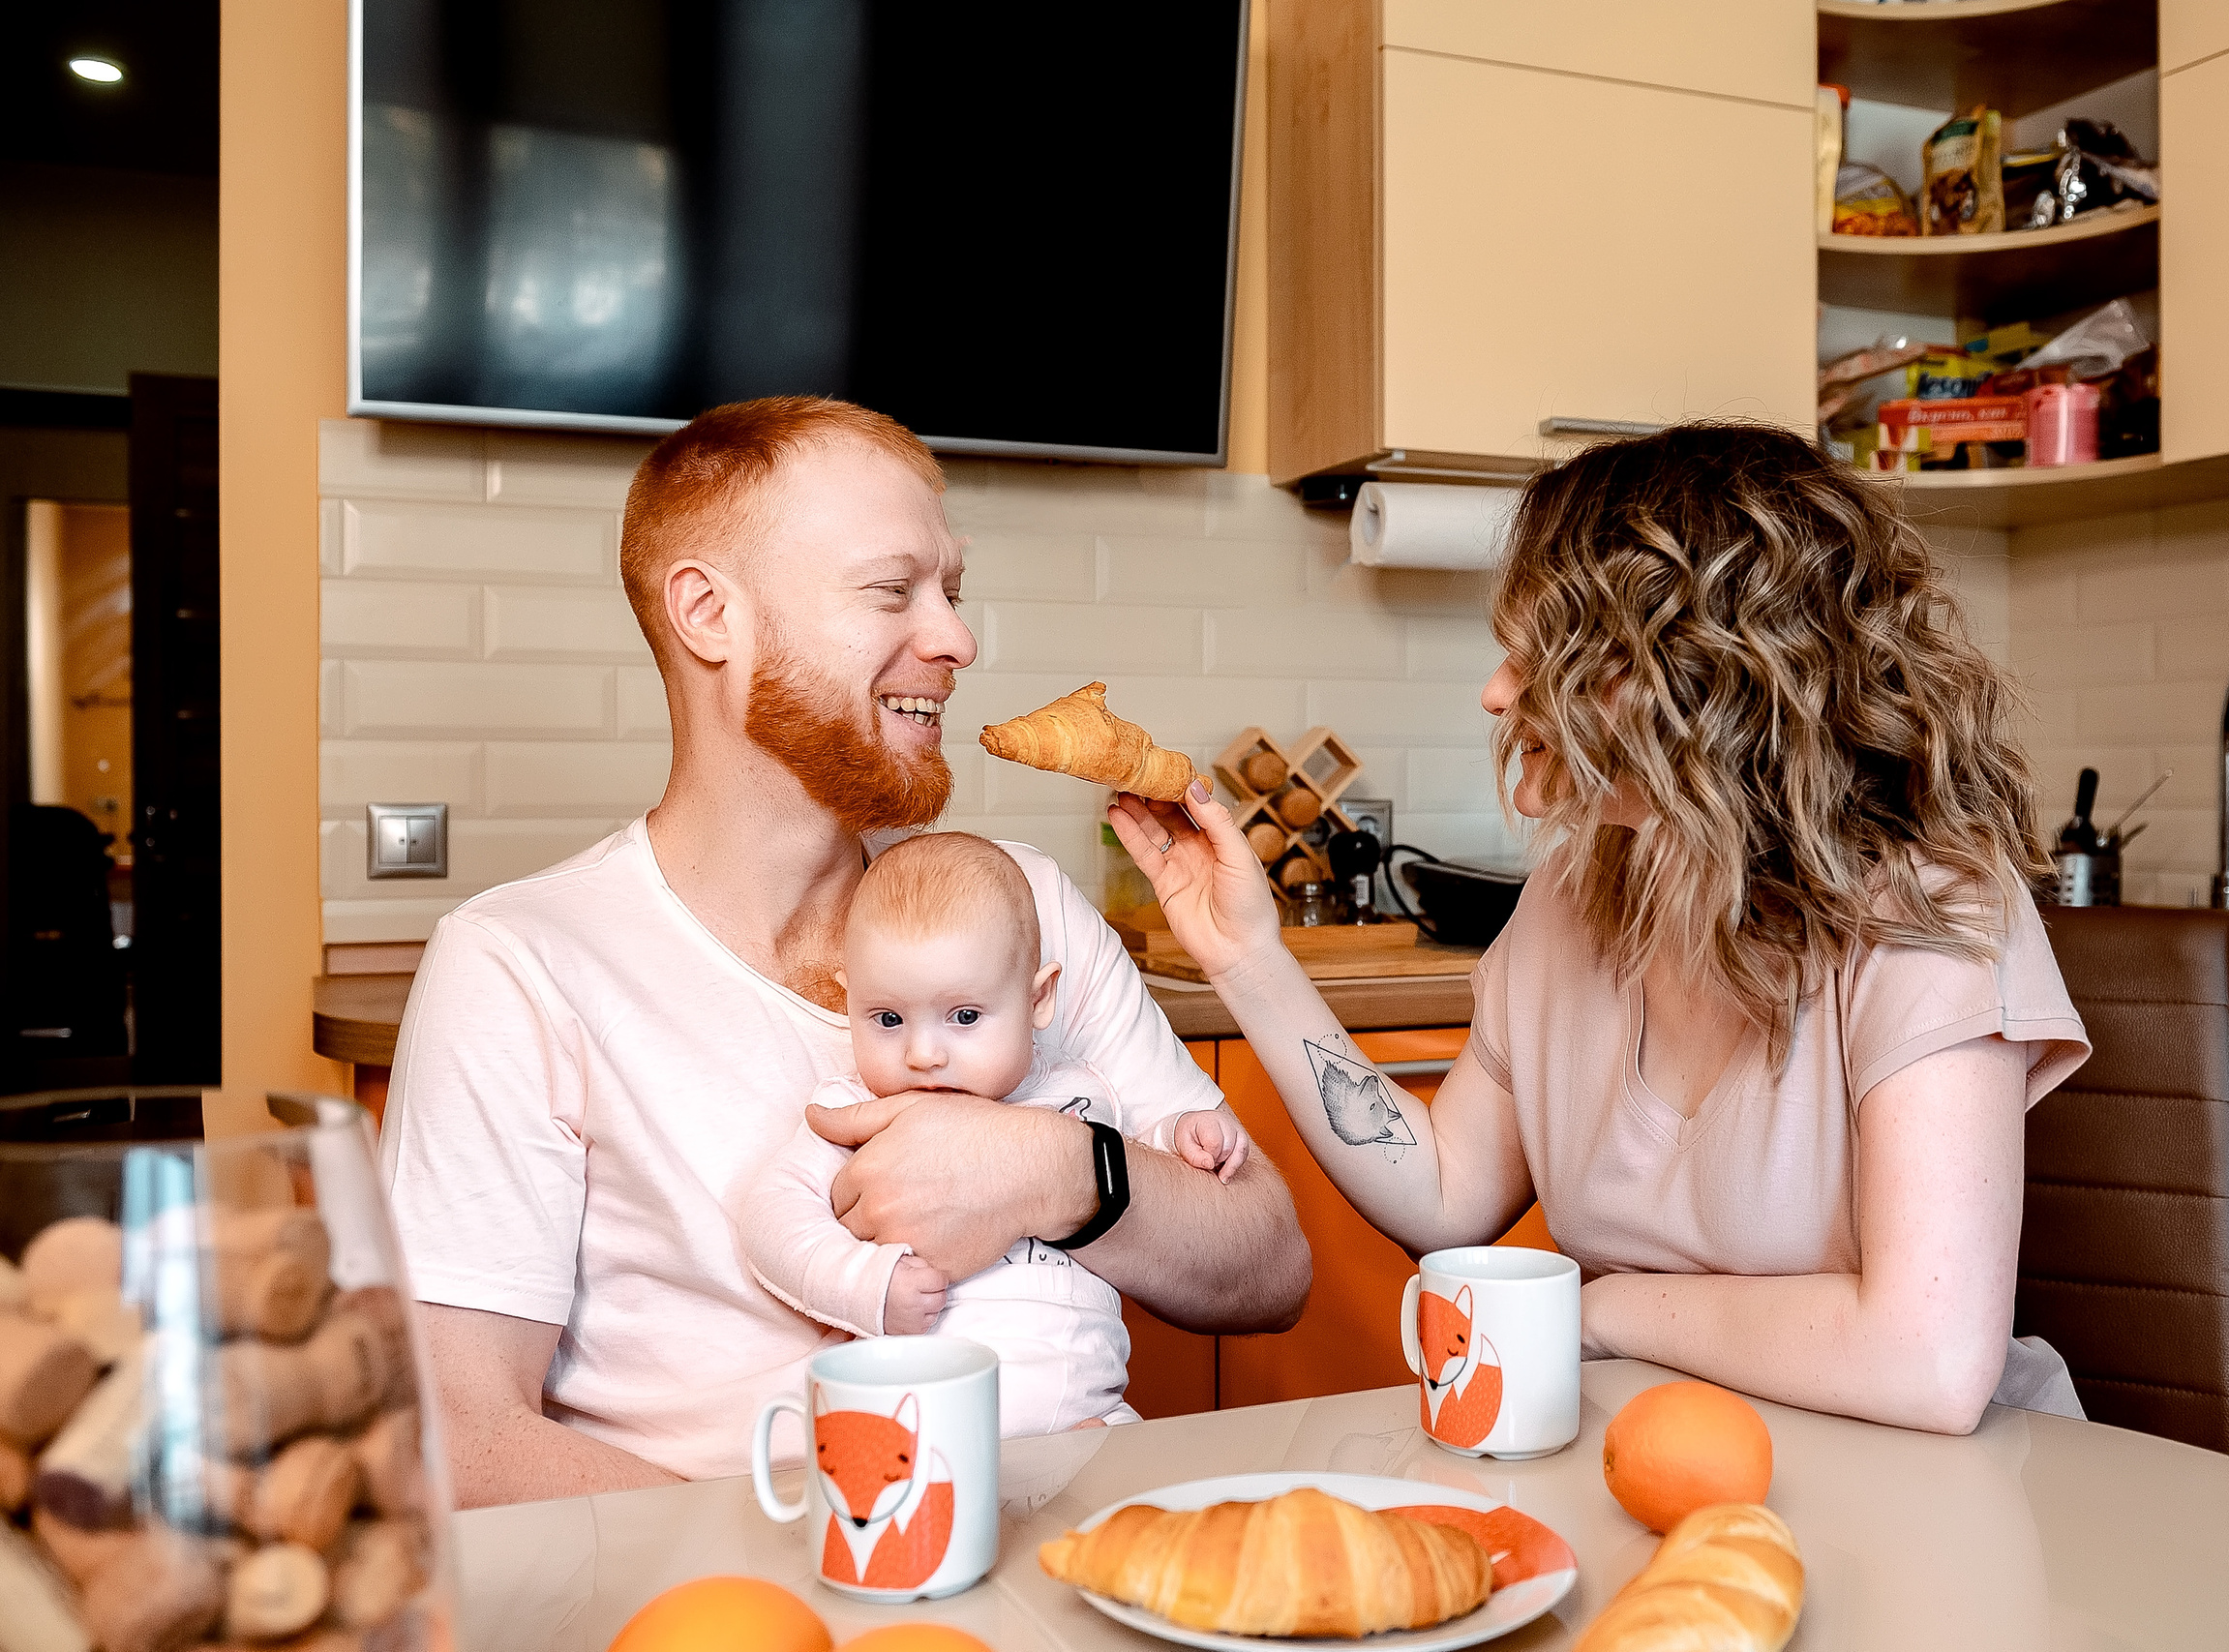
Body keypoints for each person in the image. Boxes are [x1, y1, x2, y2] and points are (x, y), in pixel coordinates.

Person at [379, 397, 1309, 1506]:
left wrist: (1060, 1172)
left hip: (1084, 1562)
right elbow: (463, 1436)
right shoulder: (520, 966)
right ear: (710, 615)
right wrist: (832, 1561)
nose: (956, 640)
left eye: (951, 591)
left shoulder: (1021, 911)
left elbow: (1270, 1266)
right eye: (891, 589)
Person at [1113, 423, 2090, 1435]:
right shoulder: (1578, 890)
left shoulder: (1929, 906)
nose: (1497, 692)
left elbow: (1924, 1361)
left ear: (1701, 670)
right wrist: (1245, 957)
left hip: (1928, 1499)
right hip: (1653, 1455)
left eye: (1544, 654)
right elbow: (1443, 1194)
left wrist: (1606, 1310)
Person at [738, 831, 1248, 1437]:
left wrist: (1186, 1134)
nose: (923, 1053)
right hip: (928, 1436)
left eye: (965, 1017)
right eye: (888, 1019)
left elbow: (1139, 1166)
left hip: (1093, 1420)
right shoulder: (850, 1112)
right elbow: (770, 1219)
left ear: (1039, 998)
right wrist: (866, 1288)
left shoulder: (1081, 1094)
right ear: (850, 999)